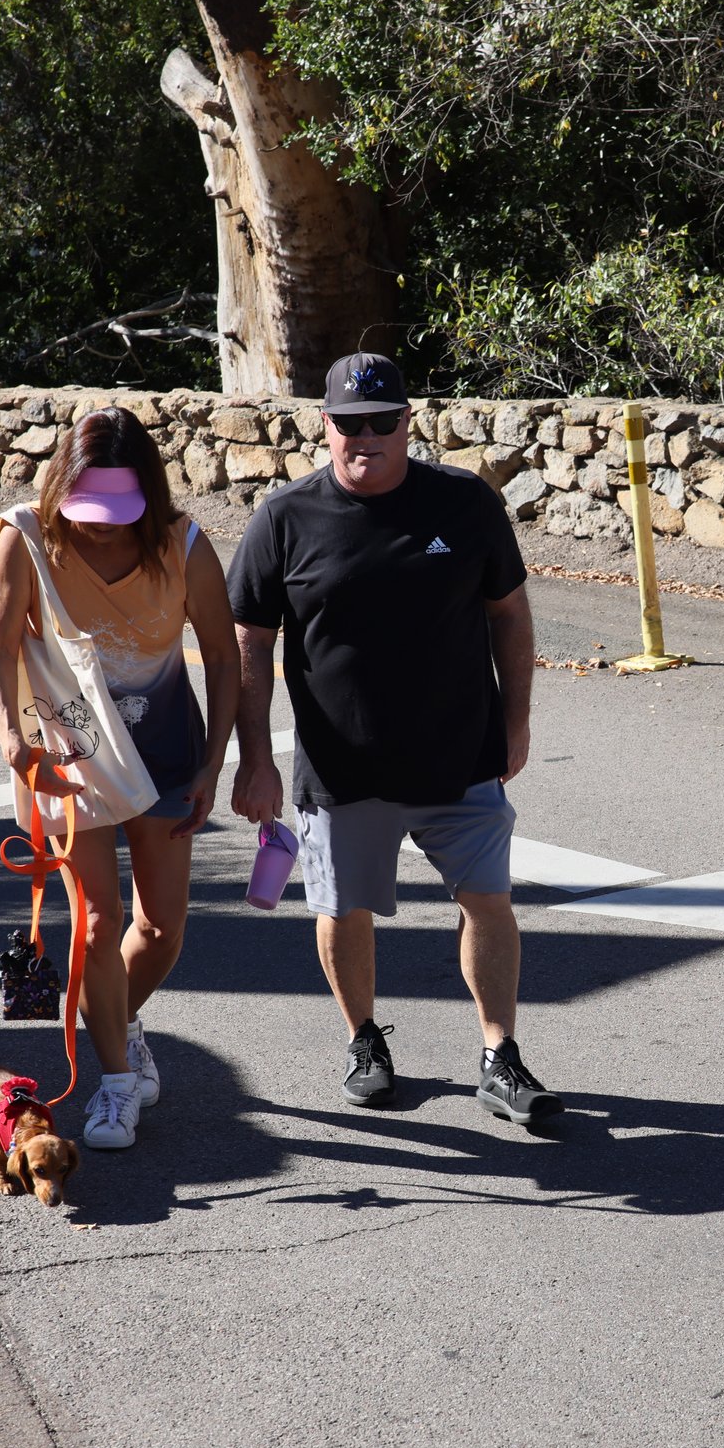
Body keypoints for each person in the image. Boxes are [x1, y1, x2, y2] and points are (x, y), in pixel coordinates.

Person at [227, 353, 556, 1125]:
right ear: (326, 426)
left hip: (460, 754)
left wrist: (516, 720)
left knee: (490, 902)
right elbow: (249, 640)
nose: (366, 436)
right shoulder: (286, 517)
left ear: (410, 422)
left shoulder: (464, 503)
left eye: (383, 421)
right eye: (349, 423)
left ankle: (499, 1054)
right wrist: (255, 760)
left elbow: (509, 612)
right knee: (342, 910)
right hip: (343, 767)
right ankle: (363, 1038)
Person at [0, 407, 240, 1150]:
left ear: (148, 499)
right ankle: (117, 1080)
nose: (99, 528)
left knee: (160, 926)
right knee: (96, 920)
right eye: (85, 511)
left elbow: (223, 655)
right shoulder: (25, 537)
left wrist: (215, 759)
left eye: (117, 515)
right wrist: (11, 742)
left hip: (164, 751)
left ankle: (121, 1018)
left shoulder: (183, 545)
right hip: (69, 753)